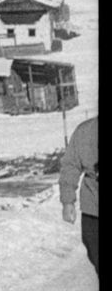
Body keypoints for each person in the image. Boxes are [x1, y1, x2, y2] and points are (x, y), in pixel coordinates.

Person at [58, 115, 98, 277]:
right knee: (95, 252)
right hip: (93, 207)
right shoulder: (85, 131)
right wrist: (68, 201)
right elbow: (70, 166)